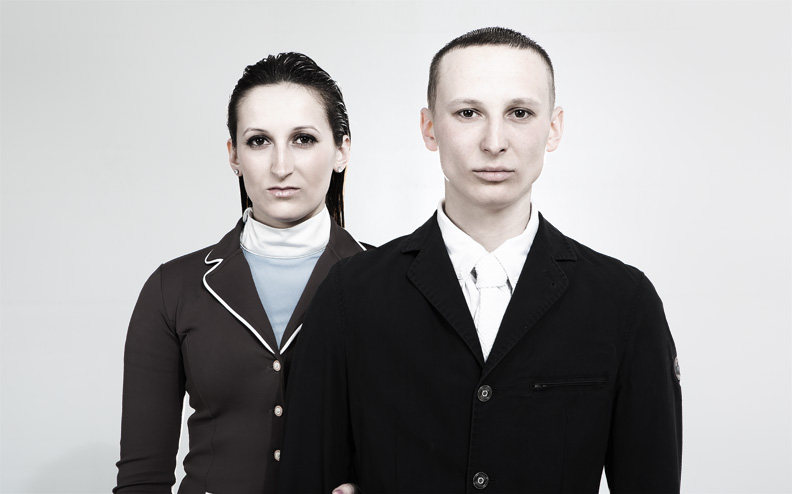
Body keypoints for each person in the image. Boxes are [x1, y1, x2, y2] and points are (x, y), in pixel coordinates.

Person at [278, 27, 682, 493]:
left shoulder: (624, 303)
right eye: (468, 113)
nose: (494, 142)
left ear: (553, 128)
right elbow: (305, 477)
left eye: (519, 113)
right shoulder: (350, 295)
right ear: (429, 127)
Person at [114, 52, 364, 493]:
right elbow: (142, 478)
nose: (281, 166)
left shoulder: (391, 283)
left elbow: (420, 455)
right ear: (234, 155)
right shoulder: (173, 289)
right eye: (259, 141)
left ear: (342, 150)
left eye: (303, 139)